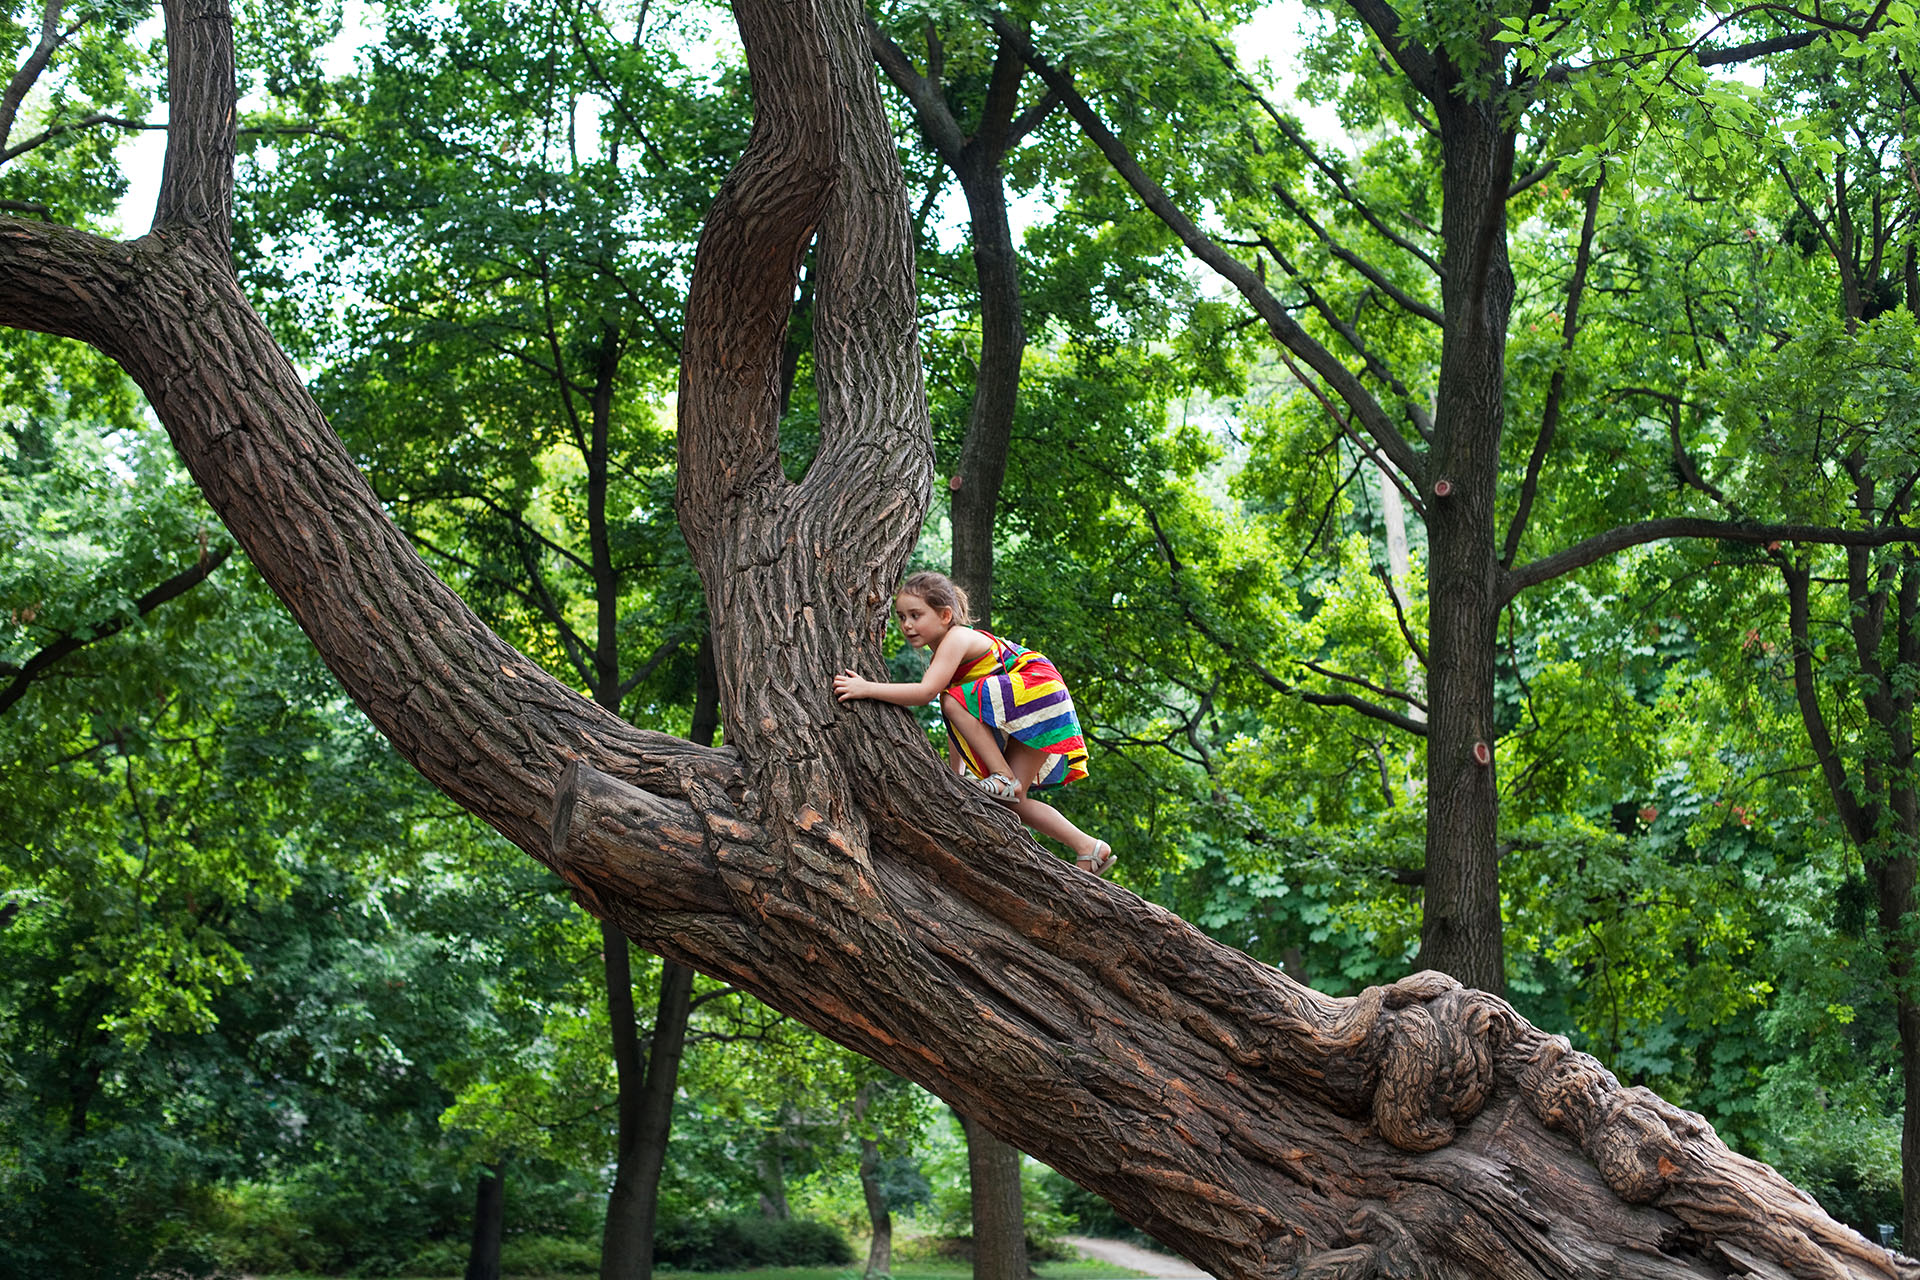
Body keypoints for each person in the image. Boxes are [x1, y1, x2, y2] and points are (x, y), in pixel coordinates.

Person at [832, 570, 1114, 877]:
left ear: (945, 615)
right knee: (1013, 801)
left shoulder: (956, 637)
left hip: (1036, 689)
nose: (907, 625)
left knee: (952, 701)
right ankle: (1088, 847)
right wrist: (955, 775)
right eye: (901, 617)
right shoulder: (944, 655)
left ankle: (1003, 776)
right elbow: (958, 723)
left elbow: (927, 694)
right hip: (1041, 703)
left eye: (916, 615)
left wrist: (866, 688)